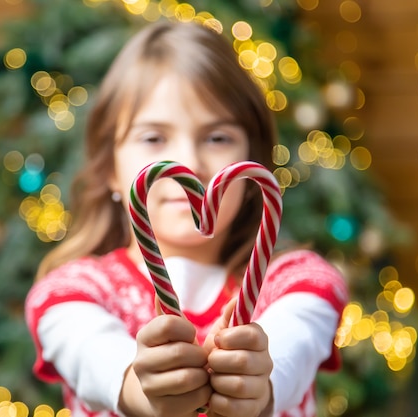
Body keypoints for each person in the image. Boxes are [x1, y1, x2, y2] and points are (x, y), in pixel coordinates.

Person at [25, 20, 348, 417]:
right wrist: (142, 390)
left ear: (253, 164)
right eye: (153, 138)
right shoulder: (72, 293)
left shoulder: (296, 283)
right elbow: (92, 354)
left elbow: (292, 345)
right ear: (109, 165)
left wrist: (258, 388)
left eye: (217, 138)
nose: (189, 164)